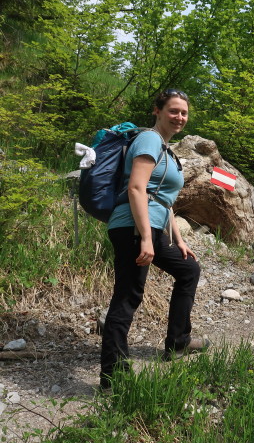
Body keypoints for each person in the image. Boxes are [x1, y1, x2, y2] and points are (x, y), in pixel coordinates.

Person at [100, 89, 207, 390]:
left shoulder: (165, 149)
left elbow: (162, 199)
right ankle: (113, 377)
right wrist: (146, 238)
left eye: (184, 112)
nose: (180, 117)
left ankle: (178, 342)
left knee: (188, 269)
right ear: (157, 111)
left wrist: (178, 239)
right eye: (173, 111)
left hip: (150, 226)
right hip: (134, 227)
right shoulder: (148, 140)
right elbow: (136, 188)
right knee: (128, 296)